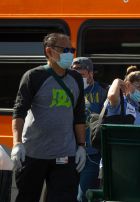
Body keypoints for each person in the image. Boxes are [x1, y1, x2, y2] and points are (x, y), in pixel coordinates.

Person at [11, 33, 86, 201]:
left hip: (64, 153)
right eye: (65, 49)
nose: (70, 54)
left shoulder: (75, 78)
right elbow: (19, 111)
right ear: (49, 52)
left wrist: (81, 146)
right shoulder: (33, 76)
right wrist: (17, 144)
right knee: (27, 197)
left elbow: (79, 114)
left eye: (71, 49)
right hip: (34, 152)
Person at [71, 57, 107, 202]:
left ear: (90, 73)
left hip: (92, 153)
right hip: (68, 150)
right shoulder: (68, 90)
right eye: (73, 74)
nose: (77, 78)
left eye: (81, 74)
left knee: (83, 196)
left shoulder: (102, 91)